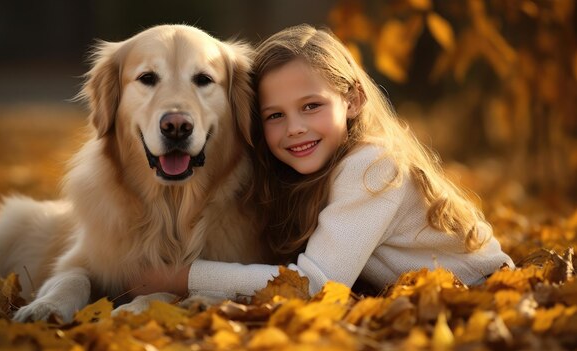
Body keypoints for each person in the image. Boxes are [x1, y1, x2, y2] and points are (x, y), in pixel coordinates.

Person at [129, 24, 514, 298]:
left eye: (311, 106)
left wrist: (184, 277)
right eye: (275, 115)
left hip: (490, 296)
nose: (294, 128)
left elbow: (315, 285)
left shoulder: (373, 166)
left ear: (353, 100)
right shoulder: (308, 173)